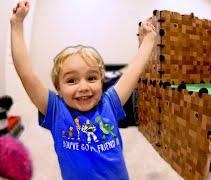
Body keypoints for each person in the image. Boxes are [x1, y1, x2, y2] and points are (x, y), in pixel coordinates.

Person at [10, 1, 156, 179]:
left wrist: (148, 40)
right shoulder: (55, 109)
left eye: (92, 78)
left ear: (102, 81)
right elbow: (26, 74)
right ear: (59, 88)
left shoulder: (109, 102)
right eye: (71, 80)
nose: (84, 87)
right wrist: (17, 25)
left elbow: (135, 70)